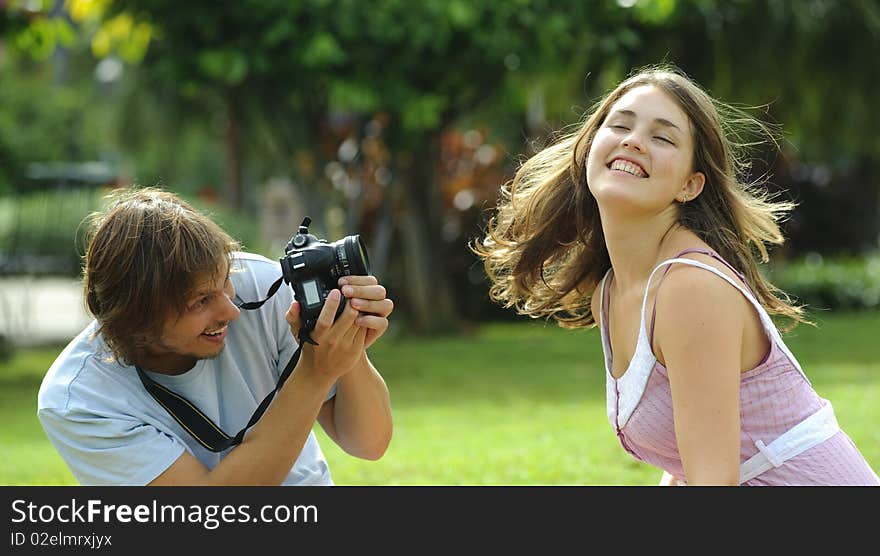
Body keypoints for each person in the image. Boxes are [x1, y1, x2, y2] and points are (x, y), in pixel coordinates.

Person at [475, 64, 879, 486]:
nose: (633, 141)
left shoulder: (692, 288)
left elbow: (712, 482)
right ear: (591, 146)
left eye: (662, 137)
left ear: (690, 185)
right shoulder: (612, 291)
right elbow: (687, 464)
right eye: (621, 125)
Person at [38, 187, 393, 485]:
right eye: (200, 301)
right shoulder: (80, 399)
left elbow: (368, 441)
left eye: (225, 282)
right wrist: (314, 373)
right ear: (136, 319)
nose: (231, 311)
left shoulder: (261, 285)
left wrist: (347, 344)